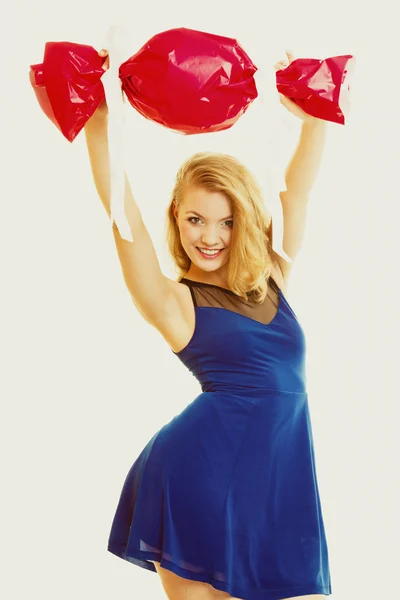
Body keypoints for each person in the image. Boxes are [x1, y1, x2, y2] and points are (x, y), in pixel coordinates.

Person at [84, 48, 330, 600]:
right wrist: (102, 124)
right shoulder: (175, 302)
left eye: (226, 220)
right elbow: (123, 216)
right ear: (177, 217)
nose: (210, 236)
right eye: (195, 219)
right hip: (197, 474)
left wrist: (317, 114)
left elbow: (299, 190)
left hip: (274, 482)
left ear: (245, 221)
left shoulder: (272, 279)